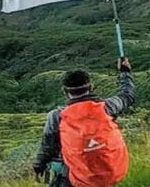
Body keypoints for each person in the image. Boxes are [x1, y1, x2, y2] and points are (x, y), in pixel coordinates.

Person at [33, 57, 135, 186]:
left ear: (65, 92)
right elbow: (128, 95)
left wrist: (39, 165)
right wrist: (125, 72)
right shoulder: (107, 107)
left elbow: (48, 147)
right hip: (110, 172)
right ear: (91, 87)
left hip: (78, 178)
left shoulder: (56, 116)